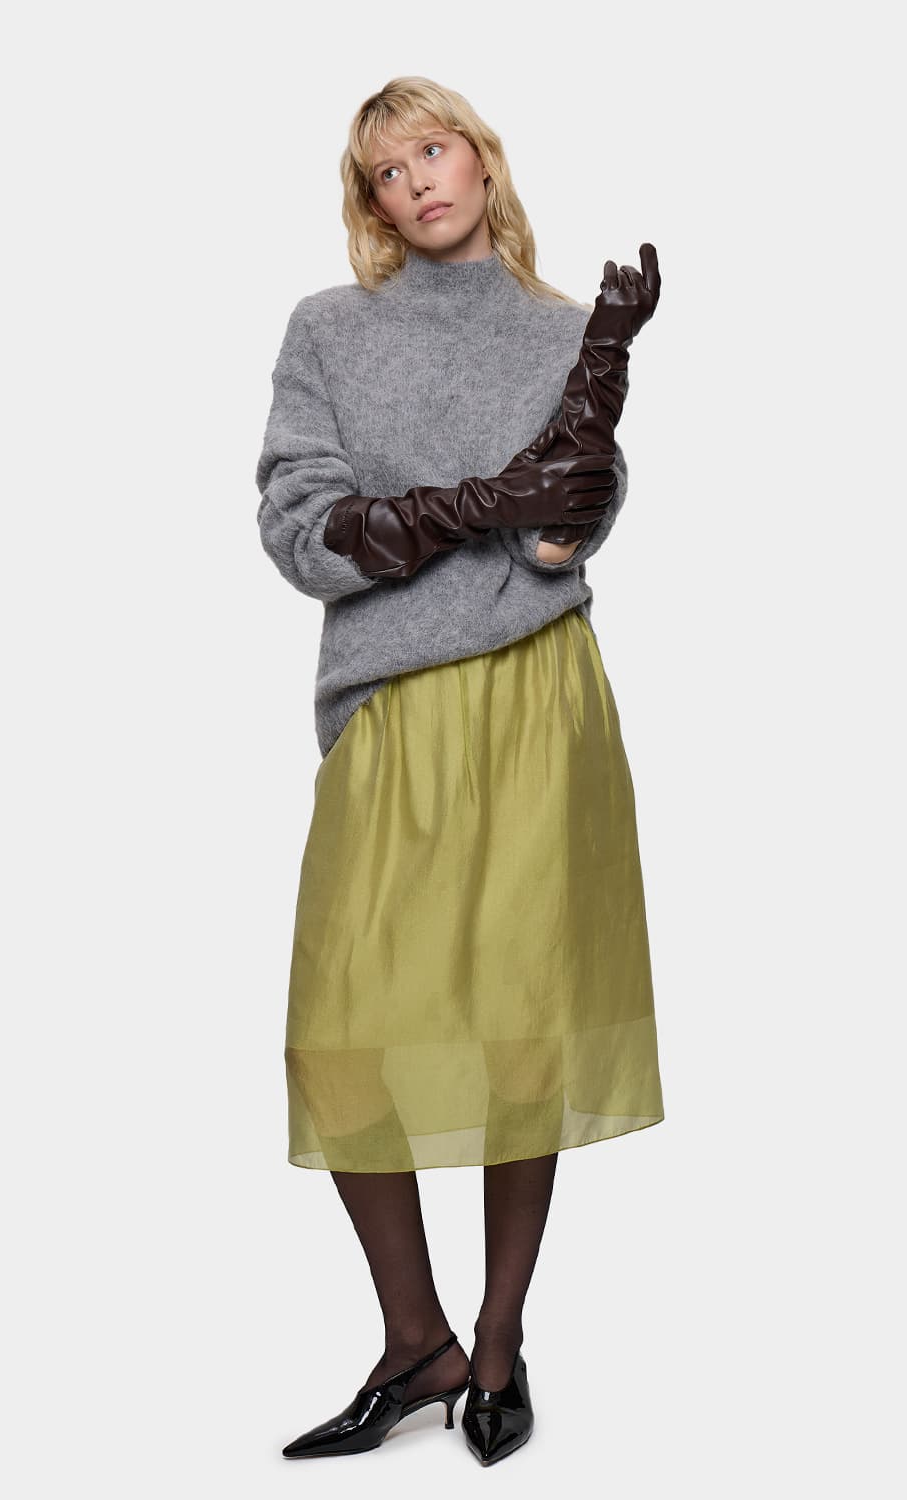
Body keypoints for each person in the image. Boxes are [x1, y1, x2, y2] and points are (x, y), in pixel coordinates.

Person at [254, 75, 665, 1466]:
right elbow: (301, 532)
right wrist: (483, 502)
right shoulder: (330, 329)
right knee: (347, 1030)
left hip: (540, 697)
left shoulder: (563, 333)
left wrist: (574, 480)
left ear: (482, 162)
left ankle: (494, 1344)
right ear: (370, 202)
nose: (417, 181)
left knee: (521, 1024)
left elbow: (567, 535)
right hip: (390, 704)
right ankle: (413, 1333)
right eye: (387, 170)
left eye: (433, 150)